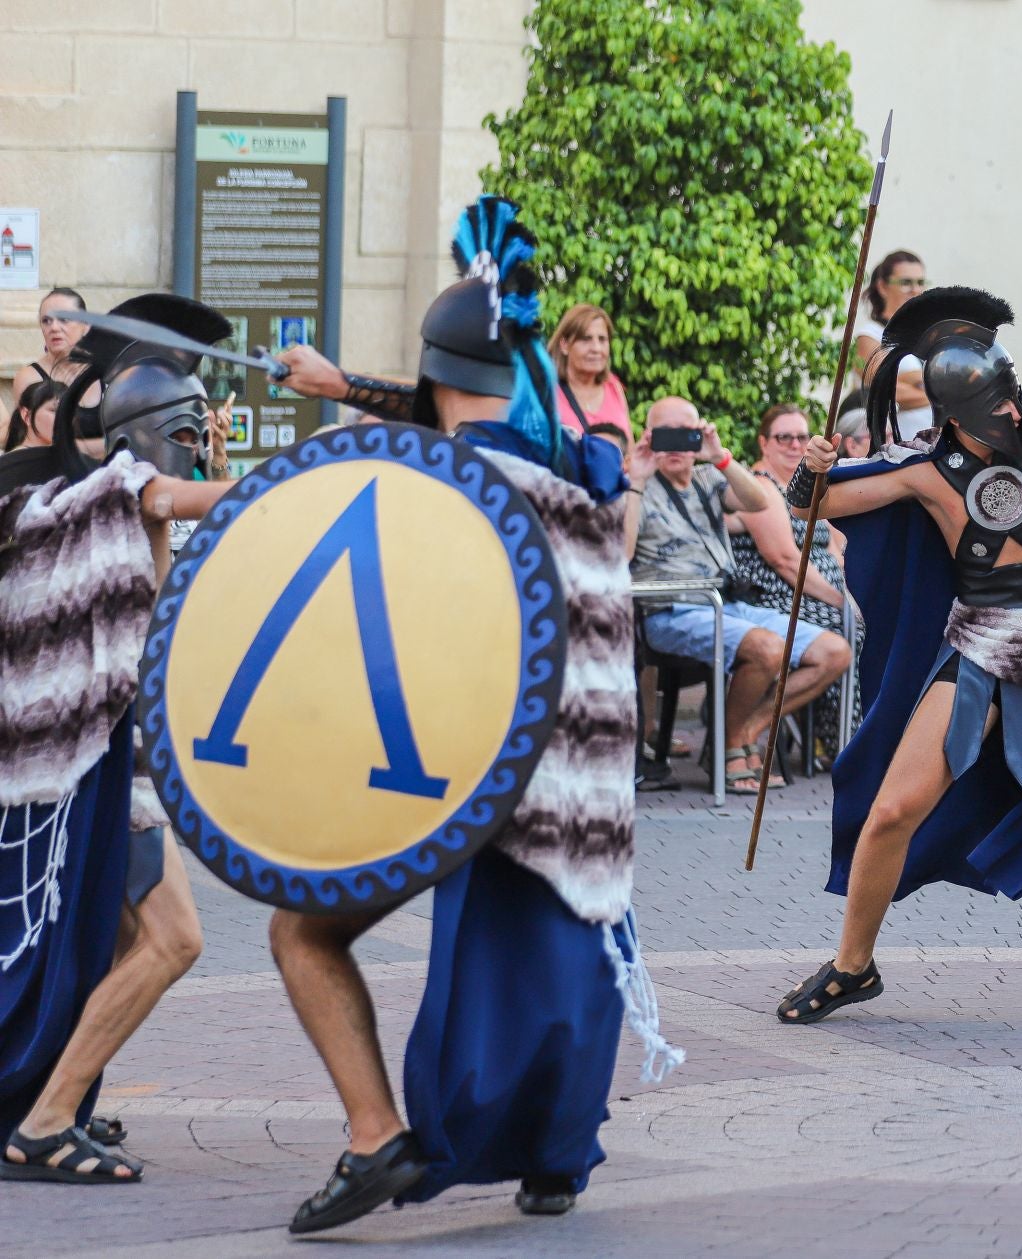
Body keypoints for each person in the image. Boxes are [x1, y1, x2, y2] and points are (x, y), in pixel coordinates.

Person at [258, 198, 682, 1231]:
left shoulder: (432, 481)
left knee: (299, 933)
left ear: (435, 377)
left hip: (458, 773)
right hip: (579, 795)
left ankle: (377, 1134)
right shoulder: (575, 492)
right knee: (563, 949)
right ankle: (555, 1155)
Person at [773, 285, 1022, 1037]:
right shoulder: (924, 469)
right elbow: (817, 506)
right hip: (978, 643)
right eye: (992, 404)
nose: (1011, 414)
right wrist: (812, 470)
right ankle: (853, 964)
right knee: (890, 811)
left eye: (1010, 395)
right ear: (955, 412)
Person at [0, 296, 231, 1188]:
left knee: (156, 937)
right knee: (173, 939)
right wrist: (311, 478)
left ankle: (52, 1097)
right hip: (68, 775)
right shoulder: (102, 491)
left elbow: (151, 607)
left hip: (78, 773)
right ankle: (48, 1114)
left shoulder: (91, 502)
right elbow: (180, 491)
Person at [630, 395, 853, 793]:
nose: (677, 446)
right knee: (768, 649)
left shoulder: (708, 479)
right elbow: (623, 551)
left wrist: (719, 457)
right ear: (649, 436)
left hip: (726, 604)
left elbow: (759, 500)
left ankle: (744, 730)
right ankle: (732, 745)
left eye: (687, 434)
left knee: (834, 652)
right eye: (668, 435)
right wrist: (637, 479)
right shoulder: (637, 484)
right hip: (669, 610)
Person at [733, 401, 859, 759]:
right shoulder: (763, 485)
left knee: (872, 621)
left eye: (801, 437)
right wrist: (841, 602)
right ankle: (830, 738)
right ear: (764, 443)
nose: (793, 444)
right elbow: (785, 560)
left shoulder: (809, 485)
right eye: (783, 437)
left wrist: (854, 593)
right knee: (848, 628)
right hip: (776, 595)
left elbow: (835, 547)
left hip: (815, 592)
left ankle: (847, 736)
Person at [853, 250, 932, 437]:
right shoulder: (870, 336)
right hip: (894, 448)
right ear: (882, 286)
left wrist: (911, 380)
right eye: (906, 283)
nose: (915, 290)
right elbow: (882, 390)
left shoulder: (928, 336)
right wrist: (941, 396)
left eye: (920, 283)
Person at [547, 302, 630, 436]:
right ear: (564, 345)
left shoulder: (613, 387)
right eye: (586, 339)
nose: (596, 349)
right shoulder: (547, 391)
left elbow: (628, 452)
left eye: (602, 339)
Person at [8, 288, 86, 405]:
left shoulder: (103, 371)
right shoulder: (29, 379)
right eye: (46, 320)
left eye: (64, 319)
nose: (54, 327)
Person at [4, 379, 61, 452]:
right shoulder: (15, 460)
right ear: (26, 415)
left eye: (68, 409)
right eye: (54, 410)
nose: (64, 415)